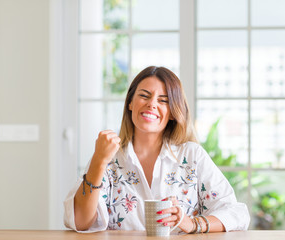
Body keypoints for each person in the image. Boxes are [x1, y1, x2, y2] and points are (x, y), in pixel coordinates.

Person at [64, 66, 250, 233]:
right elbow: (81, 222)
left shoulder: (192, 156)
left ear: (172, 112)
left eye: (163, 100)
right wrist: (99, 160)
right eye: (144, 95)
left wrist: (192, 224)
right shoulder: (108, 157)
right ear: (130, 103)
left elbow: (237, 213)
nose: (152, 104)